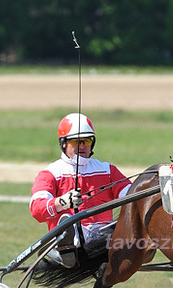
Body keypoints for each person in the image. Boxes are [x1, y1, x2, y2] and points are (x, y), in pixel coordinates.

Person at [30, 112, 132, 267]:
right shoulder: (50, 173)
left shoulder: (107, 170)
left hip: (104, 235)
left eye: (87, 140)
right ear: (64, 143)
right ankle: (64, 244)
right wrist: (61, 202)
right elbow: (36, 209)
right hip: (74, 236)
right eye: (76, 141)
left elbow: (129, 193)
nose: (83, 146)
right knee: (69, 227)